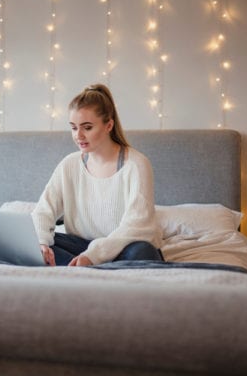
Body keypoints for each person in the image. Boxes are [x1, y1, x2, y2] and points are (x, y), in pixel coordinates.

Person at [32, 83, 163, 266]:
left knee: (142, 251)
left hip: (124, 247)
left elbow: (138, 226)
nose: (79, 136)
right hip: (81, 246)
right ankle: (89, 270)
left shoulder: (136, 164)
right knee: (31, 243)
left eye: (87, 127)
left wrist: (93, 256)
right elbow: (43, 210)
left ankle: (82, 269)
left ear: (108, 125)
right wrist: (41, 242)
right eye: (73, 127)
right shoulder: (69, 164)